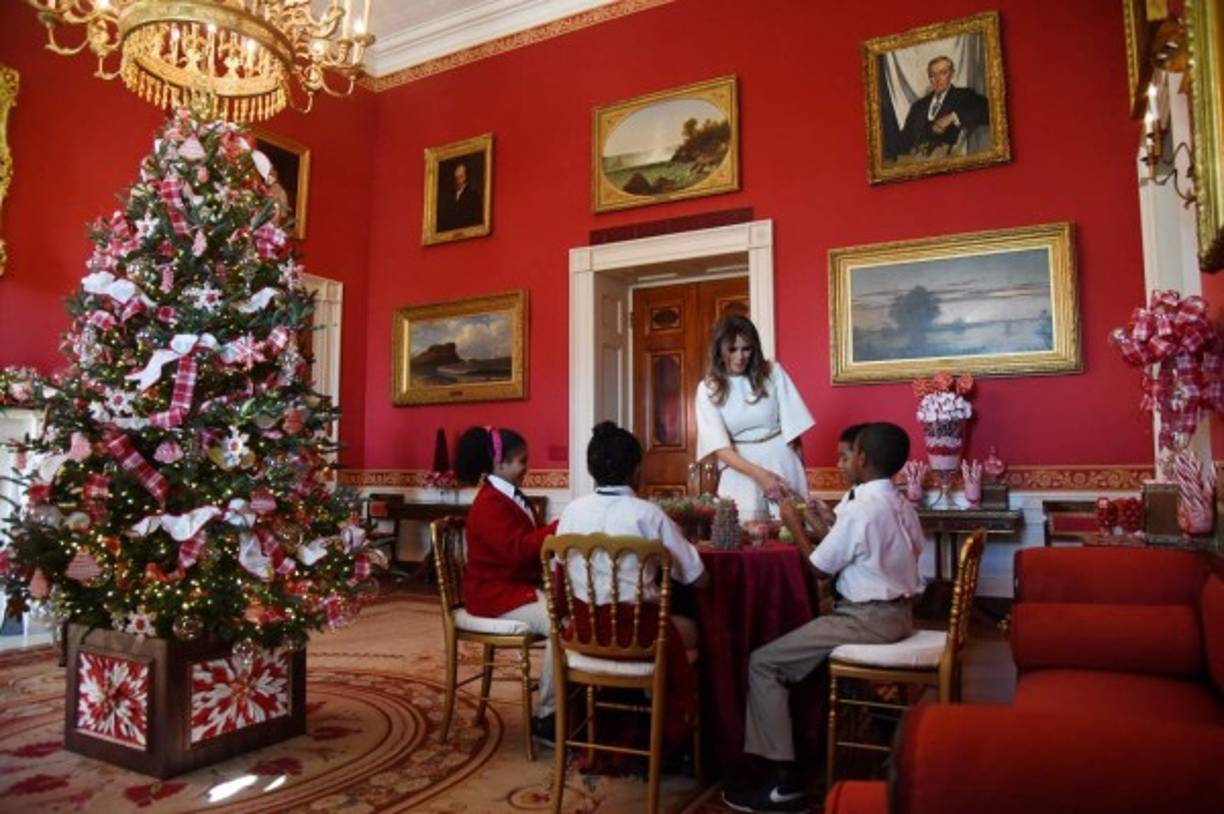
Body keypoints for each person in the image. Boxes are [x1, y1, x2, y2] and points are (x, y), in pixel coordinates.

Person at [723, 423, 924, 814]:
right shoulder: (899, 503)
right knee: (800, 648)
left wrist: (793, 521)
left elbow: (818, 570)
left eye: (847, 457)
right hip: (900, 614)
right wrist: (827, 523)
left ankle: (785, 784)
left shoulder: (863, 508)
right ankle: (883, 727)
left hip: (866, 620)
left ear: (863, 458)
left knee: (763, 662)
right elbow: (860, 548)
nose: (841, 463)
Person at [555, 421, 709, 745]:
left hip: (584, 630)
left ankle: (615, 717)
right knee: (695, 628)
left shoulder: (571, 512)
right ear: (636, 470)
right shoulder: (648, 515)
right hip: (637, 633)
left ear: (591, 469)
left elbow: (559, 569)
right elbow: (698, 576)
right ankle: (672, 732)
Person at [455, 426, 559, 730]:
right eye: (521, 461)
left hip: (511, 587)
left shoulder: (510, 497)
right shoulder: (489, 503)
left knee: (570, 610)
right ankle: (549, 715)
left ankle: (567, 701)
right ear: (500, 463)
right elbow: (516, 550)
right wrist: (557, 529)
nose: (526, 467)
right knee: (558, 621)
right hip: (493, 594)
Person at [695, 315, 815, 521]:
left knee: (793, 531)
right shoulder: (708, 388)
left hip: (782, 459)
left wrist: (801, 472)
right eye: (732, 350)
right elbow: (720, 449)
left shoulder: (773, 373)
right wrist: (760, 475)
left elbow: (794, 431)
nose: (740, 357)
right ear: (719, 350)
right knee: (743, 534)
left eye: (746, 349)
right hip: (739, 468)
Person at [899, 55, 989, 158]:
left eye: (942, 73)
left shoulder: (964, 95)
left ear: (952, 73)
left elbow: (987, 110)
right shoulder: (918, 106)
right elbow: (904, 138)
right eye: (932, 75)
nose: (937, 79)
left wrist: (953, 117)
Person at [436, 159, 483, 232]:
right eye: (456, 178)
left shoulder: (473, 196)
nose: (458, 181)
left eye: (461, 177)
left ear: (466, 177)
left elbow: (475, 221)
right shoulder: (449, 196)